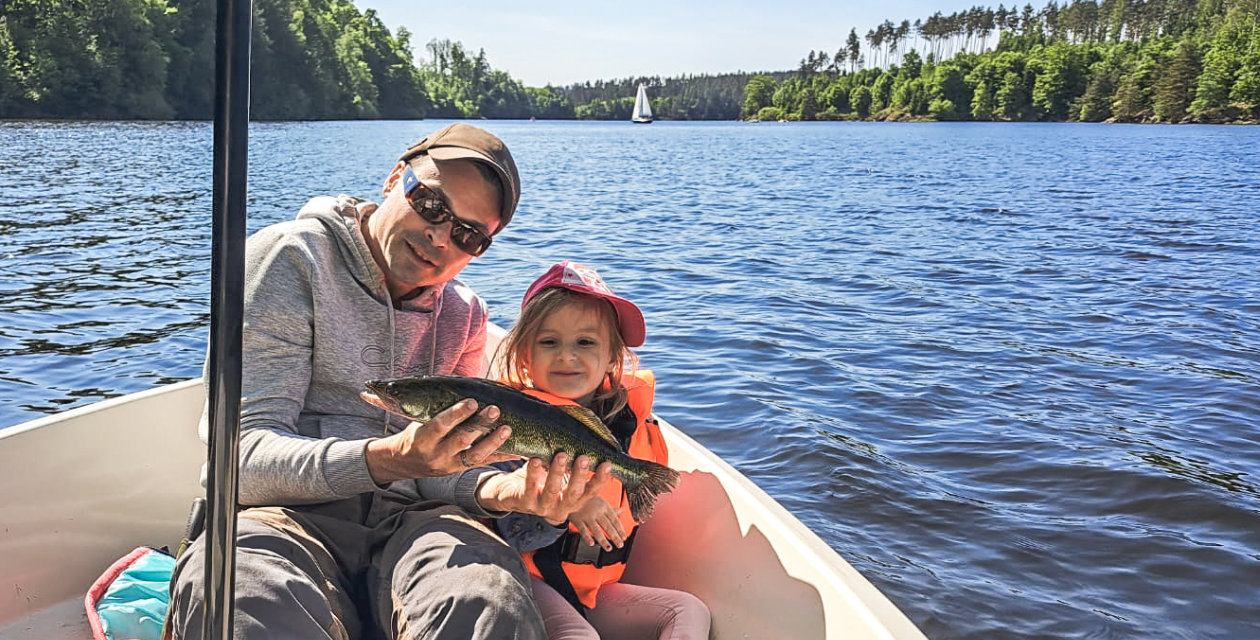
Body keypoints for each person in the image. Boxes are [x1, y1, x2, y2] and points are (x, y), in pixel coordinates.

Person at [167, 124, 613, 640]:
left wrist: (507, 491)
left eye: (469, 235)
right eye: (431, 204)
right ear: (394, 178)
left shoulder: (465, 315)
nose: (441, 237)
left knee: (487, 600)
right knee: (242, 597)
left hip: (417, 520)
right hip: (281, 515)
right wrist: (389, 459)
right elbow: (238, 463)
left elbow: (446, 472)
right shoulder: (290, 259)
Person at [492, 261, 711, 640]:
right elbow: (501, 528)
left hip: (593, 588)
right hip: (525, 576)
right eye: (549, 342)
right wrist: (565, 502)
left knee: (688, 610)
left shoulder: (625, 422)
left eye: (585, 342)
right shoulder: (506, 419)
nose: (567, 356)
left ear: (612, 355)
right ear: (524, 353)